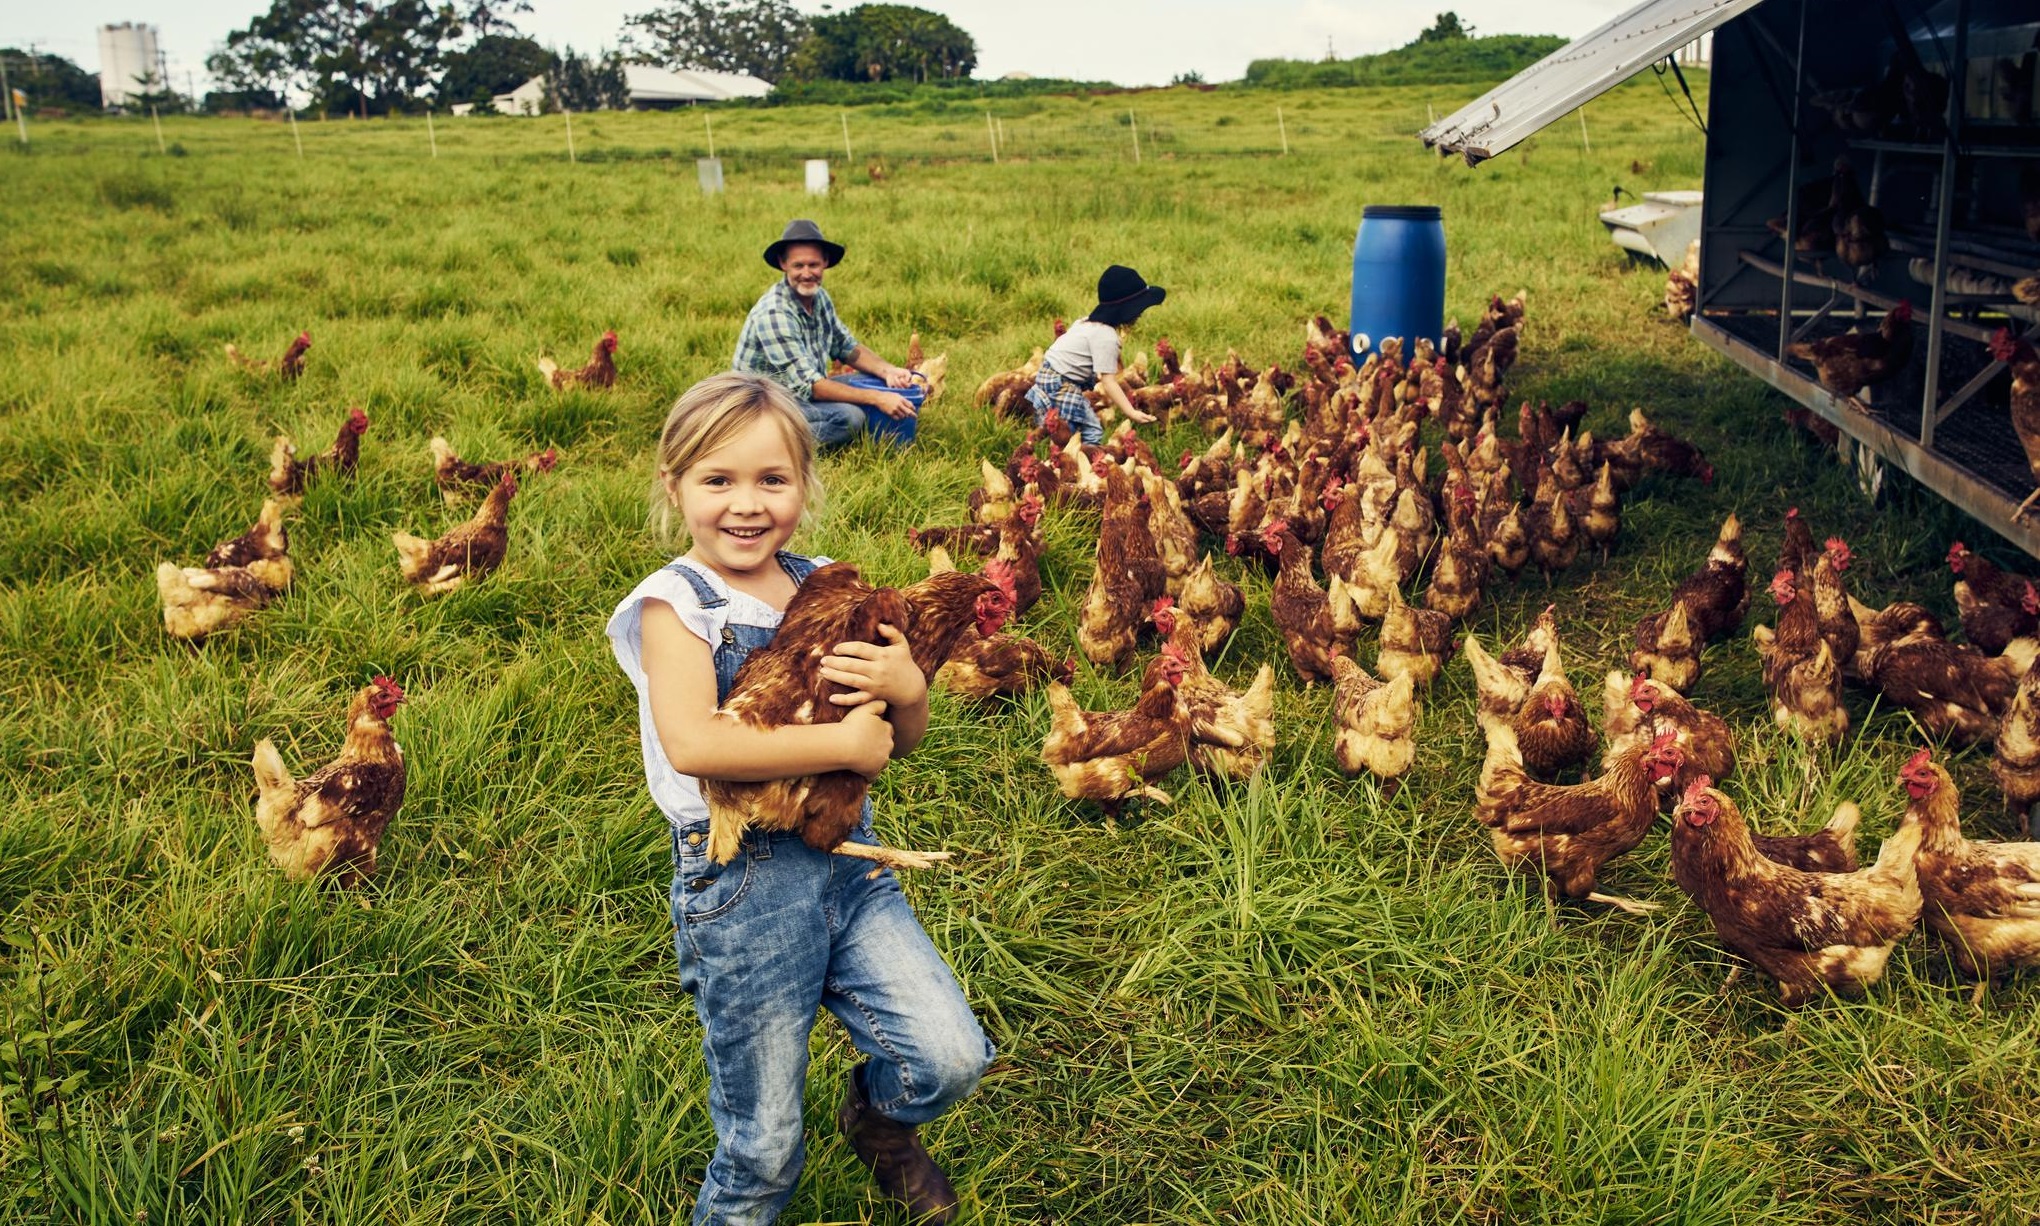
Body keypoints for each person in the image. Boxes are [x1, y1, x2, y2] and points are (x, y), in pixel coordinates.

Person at [606, 371, 991, 1226]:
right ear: (675, 489)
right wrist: (846, 745)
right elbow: (698, 745)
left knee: (951, 1056)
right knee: (764, 1145)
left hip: (850, 864)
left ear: (805, 486)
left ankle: (881, 1122)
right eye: (718, 480)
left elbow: (904, 736)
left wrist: (906, 688)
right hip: (743, 885)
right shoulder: (679, 608)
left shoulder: (829, 583)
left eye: (772, 480)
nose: (746, 505)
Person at [734, 219, 923, 450]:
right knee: (850, 418)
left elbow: (847, 348)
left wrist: (888, 371)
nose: (806, 273)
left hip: (801, 392)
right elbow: (811, 386)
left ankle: (877, 427)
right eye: (798, 266)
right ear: (784, 264)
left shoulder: (819, 298)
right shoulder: (774, 313)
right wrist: (877, 398)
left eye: (813, 265)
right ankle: (765, 441)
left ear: (824, 262)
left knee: (878, 382)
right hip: (765, 404)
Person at [1025, 264, 1167, 445]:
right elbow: (1108, 381)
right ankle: (1077, 463)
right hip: (1061, 382)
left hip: (1048, 373)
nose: (1140, 313)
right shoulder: (1107, 336)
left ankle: (1052, 445)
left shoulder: (1086, 323)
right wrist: (1131, 412)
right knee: (1090, 431)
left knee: (1062, 425)